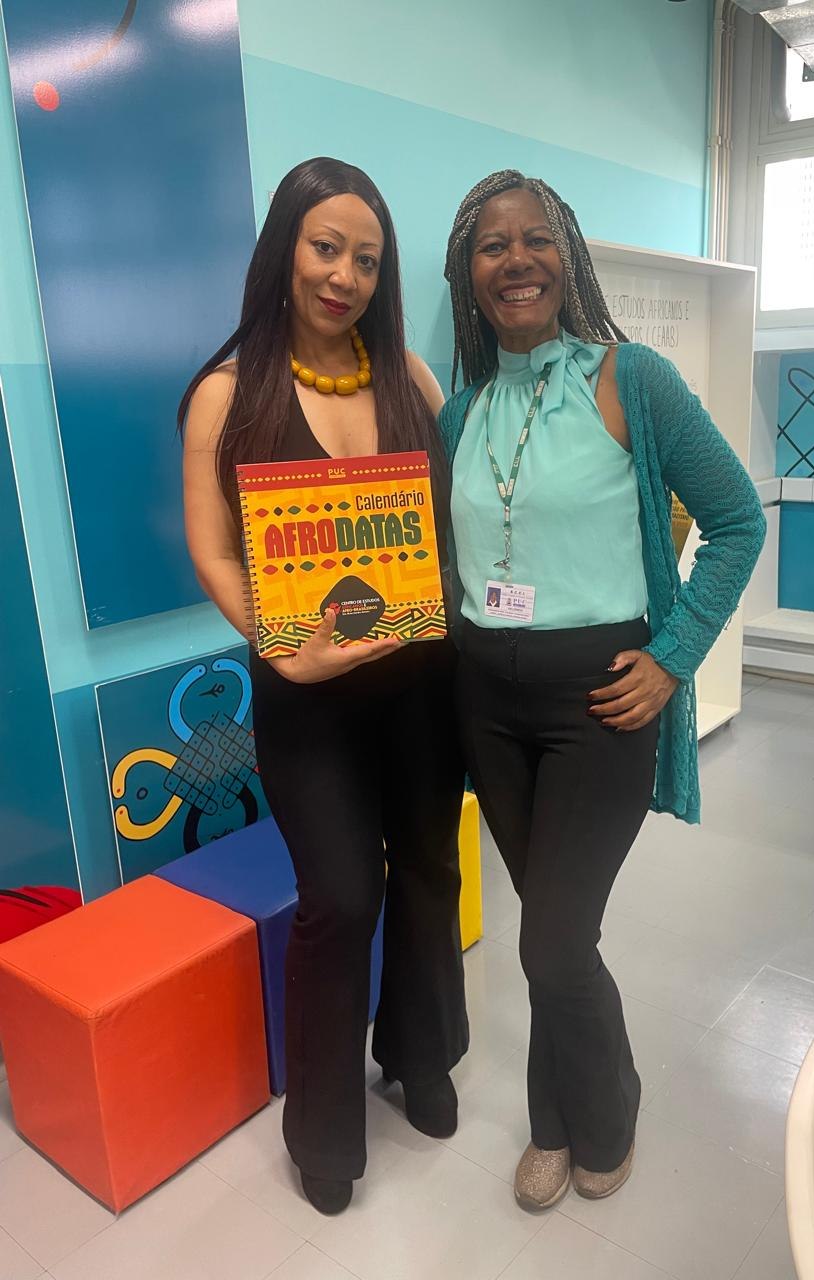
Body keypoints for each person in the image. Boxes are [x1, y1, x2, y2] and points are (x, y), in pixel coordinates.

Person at [440, 171, 765, 1209]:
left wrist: (673, 656)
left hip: (602, 703)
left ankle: (608, 1109)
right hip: (490, 706)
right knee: (557, 933)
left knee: (550, 939)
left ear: (568, 255)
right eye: (493, 245)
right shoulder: (461, 412)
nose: (517, 259)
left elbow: (738, 520)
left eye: (536, 238)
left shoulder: (634, 380)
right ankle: (554, 1123)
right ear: (468, 274)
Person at [179, 158, 468, 1216]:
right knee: (341, 898)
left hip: (422, 686)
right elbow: (215, 551)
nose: (345, 275)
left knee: (430, 869)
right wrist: (278, 643)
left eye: (368, 259)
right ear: (285, 250)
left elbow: (458, 525)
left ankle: (421, 1053)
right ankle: (324, 1128)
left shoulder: (412, 379)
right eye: (326, 247)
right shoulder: (227, 394)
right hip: (307, 701)